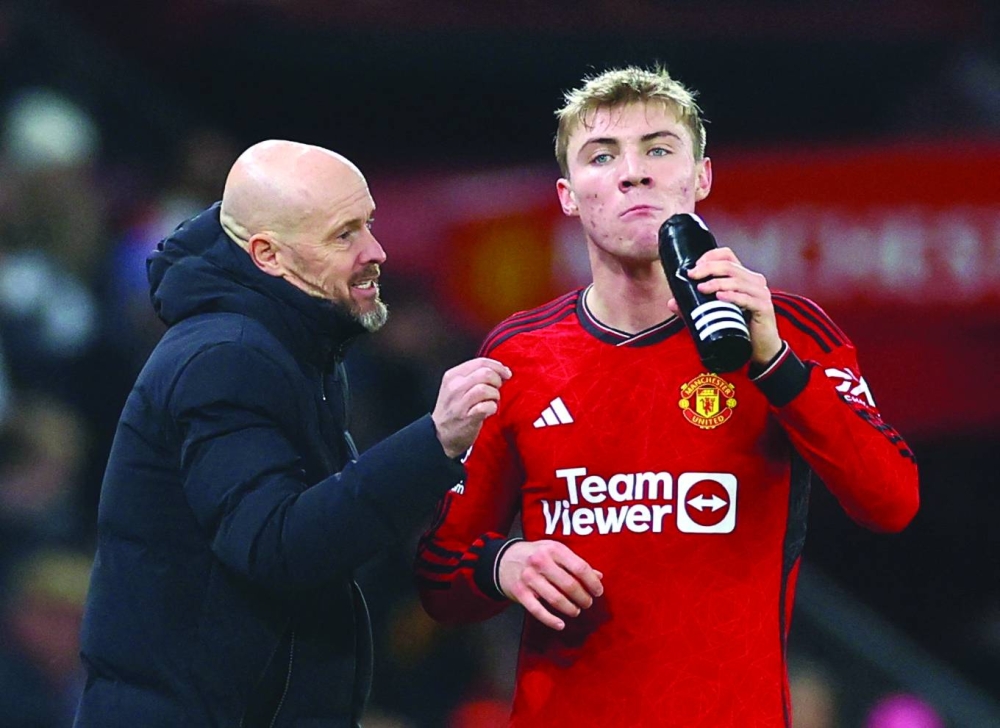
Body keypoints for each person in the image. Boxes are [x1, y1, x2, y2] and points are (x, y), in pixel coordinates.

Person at [415, 67, 920, 727]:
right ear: (568, 196)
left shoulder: (789, 329)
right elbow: (442, 577)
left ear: (700, 177)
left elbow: (890, 501)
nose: (634, 173)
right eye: (603, 156)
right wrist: (503, 562)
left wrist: (775, 364)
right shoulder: (518, 353)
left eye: (658, 149)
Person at [74, 140, 511, 727]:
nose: (376, 251)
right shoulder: (228, 357)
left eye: (370, 224)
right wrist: (436, 441)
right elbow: (275, 545)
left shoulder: (290, 346)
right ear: (268, 255)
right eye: (343, 235)